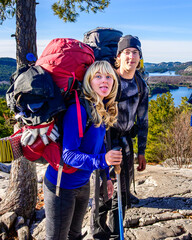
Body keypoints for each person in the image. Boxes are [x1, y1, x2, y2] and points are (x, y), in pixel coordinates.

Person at [43, 60, 123, 240]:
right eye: (98, 76)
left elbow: (99, 146)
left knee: (75, 235)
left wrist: (106, 177)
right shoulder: (77, 111)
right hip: (61, 186)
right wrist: (104, 161)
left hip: (83, 184)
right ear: (89, 82)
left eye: (109, 76)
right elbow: (69, 155)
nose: (105, 80)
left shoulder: (99, 109)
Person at [91, 35, 149, 240]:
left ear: (139, 57)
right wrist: (101, 151)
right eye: (127, 52)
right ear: (118, 56)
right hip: (105, 144)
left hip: (127, 144)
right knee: (104, 192)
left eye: (135, 53)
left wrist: (141, 151)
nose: (131, 57)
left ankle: (116, 233)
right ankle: (98, 232)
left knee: (122, 193)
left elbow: (142, 119)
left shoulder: (140, 85)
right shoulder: (108, 82)